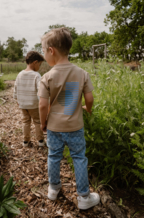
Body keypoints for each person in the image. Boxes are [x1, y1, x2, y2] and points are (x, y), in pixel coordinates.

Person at [38, 27, 100, 210]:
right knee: (79, 158)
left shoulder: (47, 77)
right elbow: (89, 99)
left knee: (54, 156)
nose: (43, 55)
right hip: (75, 127)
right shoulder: (82, 73)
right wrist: (86, 109)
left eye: (43, 51)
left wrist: (43, 123)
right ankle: (83, 197)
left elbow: (42, 105)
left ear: (51, 50)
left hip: (54, 128)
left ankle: (53, 189)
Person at [13, 51, 45, 147]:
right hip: (33, 104)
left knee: (25, 121)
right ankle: (40, 141)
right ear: (35, 62)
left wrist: (17, 99)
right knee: (37, 121)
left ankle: (26, 141)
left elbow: (16, 88)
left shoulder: (20, 74)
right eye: (39, 64)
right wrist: (41, 101)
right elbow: (40, 90)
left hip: (22, 104)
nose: (39, 67)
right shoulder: (36, 75)